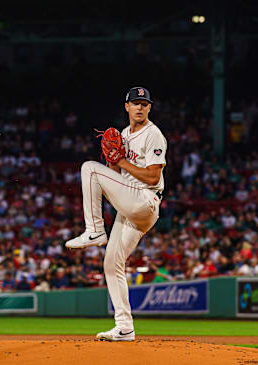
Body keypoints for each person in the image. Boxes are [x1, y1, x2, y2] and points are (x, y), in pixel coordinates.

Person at [66, 87, 166, 342]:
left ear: (149, 108)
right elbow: (118, 176)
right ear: (127, 107)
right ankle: (124, 327)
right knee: (112, 264)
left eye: (144, 103)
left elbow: (154, 176)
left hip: (145, 199)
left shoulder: (153, 134)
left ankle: (95, 230)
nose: (140, 107)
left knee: (89, 168)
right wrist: (113, 161)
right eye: (136, 103)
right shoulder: (123, 134)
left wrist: (120, 162)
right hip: (131, 206)